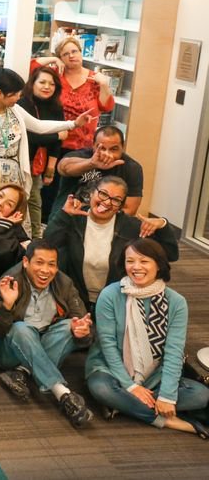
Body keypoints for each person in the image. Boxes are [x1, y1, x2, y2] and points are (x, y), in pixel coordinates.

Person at [85, 238, 209, 436]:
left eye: (144, 261)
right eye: (130, 261)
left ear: (158, 265)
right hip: (111, 368)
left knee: (201, 395)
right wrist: (131, 386)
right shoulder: (110, 294)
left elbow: (174, 351)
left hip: (154, 373)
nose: (136, 267)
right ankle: (171, 422)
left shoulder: (176, 302)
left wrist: (167, 396)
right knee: (102, 389)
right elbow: (107, 345)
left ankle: (123, 405)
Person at [0, 68, 93, 234]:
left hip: (13, 177)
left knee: (11, 224)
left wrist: (73, 124)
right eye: (14, 94)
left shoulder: (14, 109)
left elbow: (38, 126)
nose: (18, 98)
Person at [0, 240, 95, 428]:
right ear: (26, 262)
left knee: (70, 325)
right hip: (8, 348)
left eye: (51, 264)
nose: (45, 270)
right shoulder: (9, 281)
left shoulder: (63, 283)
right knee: (22, 328)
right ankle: (62, 393)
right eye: (39, 262)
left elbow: (83, 324)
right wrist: (7, 306)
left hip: (43, 342)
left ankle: (22, 372)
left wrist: (82, 331)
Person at [44, 176, 178, 308]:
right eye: (103, 194)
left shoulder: (131, 227)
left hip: (118, 301)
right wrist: (63, 215)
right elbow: (48, 244)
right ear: (91, 193)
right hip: (74, 299)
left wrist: (163, 225)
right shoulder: (74, 218)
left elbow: (171, 254)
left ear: (120, 206)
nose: (107, 202)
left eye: (116, 200)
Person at [34, 36, 115, 152]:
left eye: (74, 51)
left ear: (81, 53)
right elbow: (32, 66)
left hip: (84, 146)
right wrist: (53, 59)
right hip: (54, 144)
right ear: (60, 58)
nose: (71, 56)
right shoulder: (55, 76)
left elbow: (107, 107)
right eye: (65, 54)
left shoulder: (94, 79)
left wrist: (104, 84)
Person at [17, 65, 67, 235]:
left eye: (51, 84)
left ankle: (36, 236)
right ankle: (22, 234)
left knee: (35, 199)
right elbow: (29, 136)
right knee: (23, 198)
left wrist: (51, 169)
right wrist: (57, 136)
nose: (47, 87)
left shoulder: (56, 107)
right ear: (32, 83)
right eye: (42, 82)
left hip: (39, 162)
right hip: (21, 159)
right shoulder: (22, 103)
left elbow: (57, 142)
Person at [54, 125, 143, 216]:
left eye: (114, 149)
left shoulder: (132, 168)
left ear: (122, 147)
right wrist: (91, 163)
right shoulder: (80, 156)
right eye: (101, 148)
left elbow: (130, 210)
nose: (107, 154)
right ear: (93, 146)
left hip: (106, 223)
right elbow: (63, 168)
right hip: (67, 217)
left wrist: (98, 215)